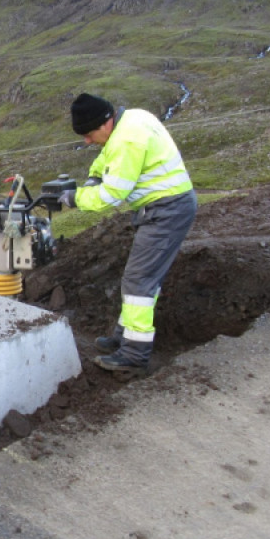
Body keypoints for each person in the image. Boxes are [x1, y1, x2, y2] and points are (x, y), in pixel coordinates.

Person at [58, 92, 197, 374]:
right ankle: (125, 337)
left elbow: (111, 195)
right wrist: (93, 177)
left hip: (166, 211)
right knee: (140, 278)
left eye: (88, 134)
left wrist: (75, 199)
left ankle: (134, 355)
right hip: (166, 207)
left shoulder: (126, 140)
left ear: (105, 123)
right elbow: (106, 157)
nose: (86, 141)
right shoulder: (131, 118)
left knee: (138, 281)